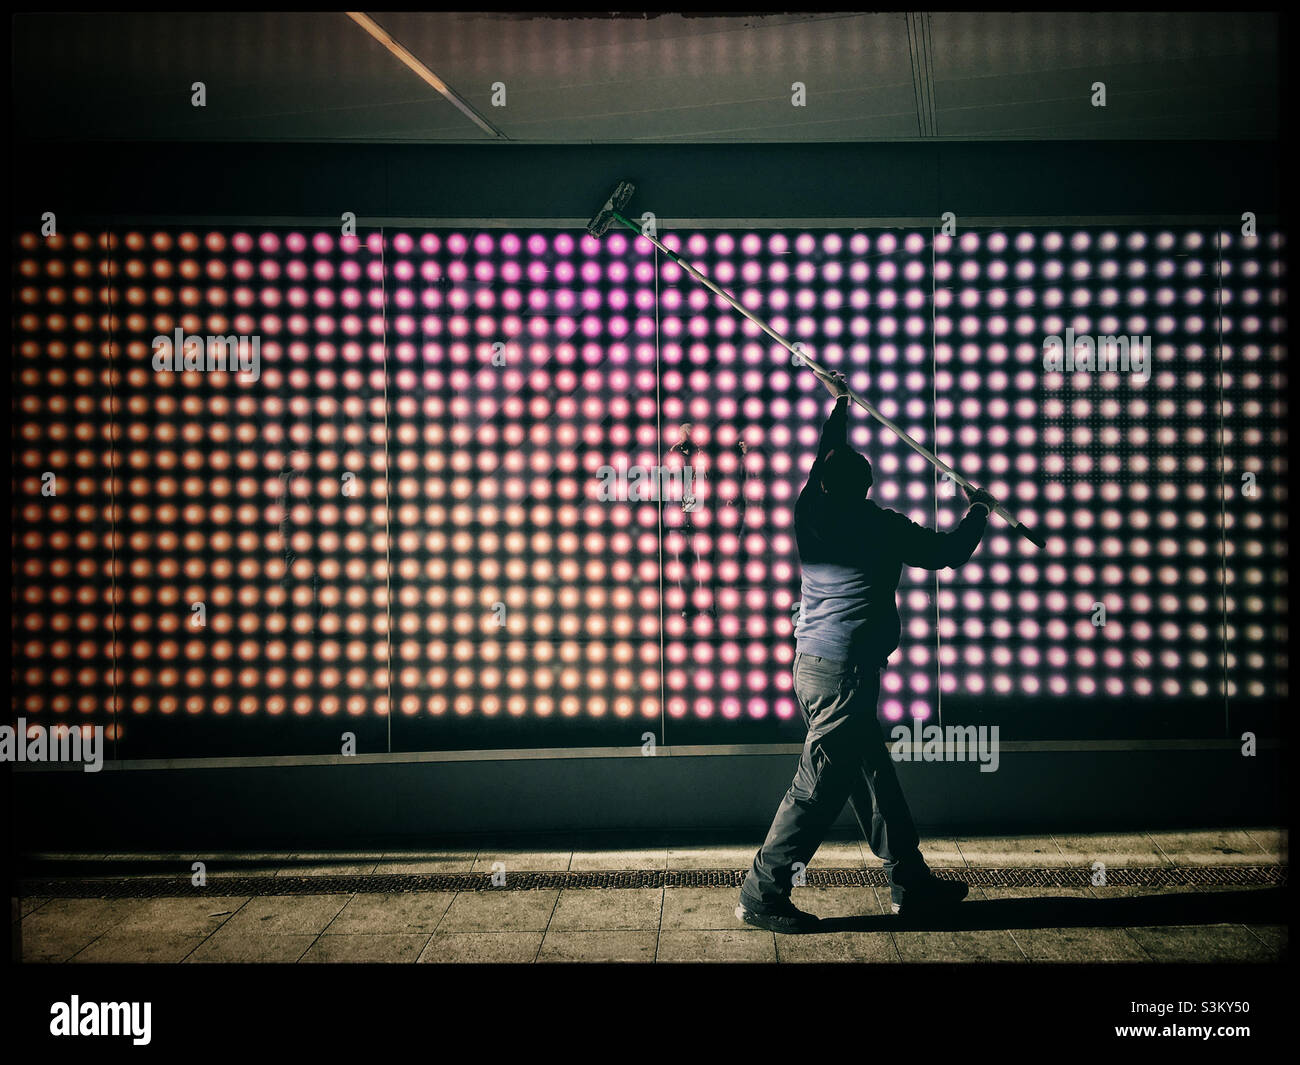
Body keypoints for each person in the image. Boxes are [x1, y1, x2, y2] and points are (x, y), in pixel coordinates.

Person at [736, 369, 997, 933]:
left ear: (825, 483)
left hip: (814, 667)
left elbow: (824, 456)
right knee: (817, 787)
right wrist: (979, 507)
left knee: (873, 777)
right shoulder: (884, 527)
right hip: (846, 676)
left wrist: (841, 405)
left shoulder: (809, 509)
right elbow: (949, 551)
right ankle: (763, 891)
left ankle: (912, 882)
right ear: (868, 487)